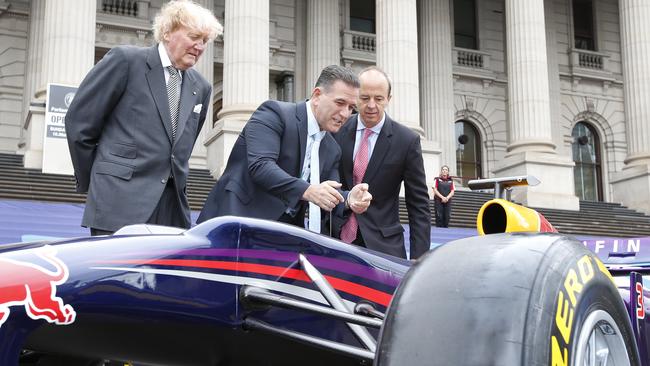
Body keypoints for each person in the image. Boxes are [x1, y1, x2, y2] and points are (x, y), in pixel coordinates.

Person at [65, 1, 222, 236]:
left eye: (205, 41)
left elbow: (181, 148)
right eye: (194, 36)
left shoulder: (202, 87)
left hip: (172, 213)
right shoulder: (125, 61)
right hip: (118, 203)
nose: (199, 46)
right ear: (168, 32)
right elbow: (80, 124)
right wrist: (102, 182)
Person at [197, 65, 372, 232]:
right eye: (340, 102)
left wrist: (349, 199)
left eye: (351, 108)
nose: (345, 114)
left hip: (283, 236)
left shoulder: (332, 148)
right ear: (317, 95)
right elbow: (261, 166)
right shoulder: (274, 113)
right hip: (234, 222)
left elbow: (328, 194)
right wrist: (308, 190)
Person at [333, 67, 431, 260]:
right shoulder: (336, 129)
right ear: (355, 97)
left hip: (383, 247)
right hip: (335, 239)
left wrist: (420, 260)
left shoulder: (407, 141)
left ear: (388, 99)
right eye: (364, 97)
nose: (371, 105)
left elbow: (418, 204)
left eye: (378, 99)